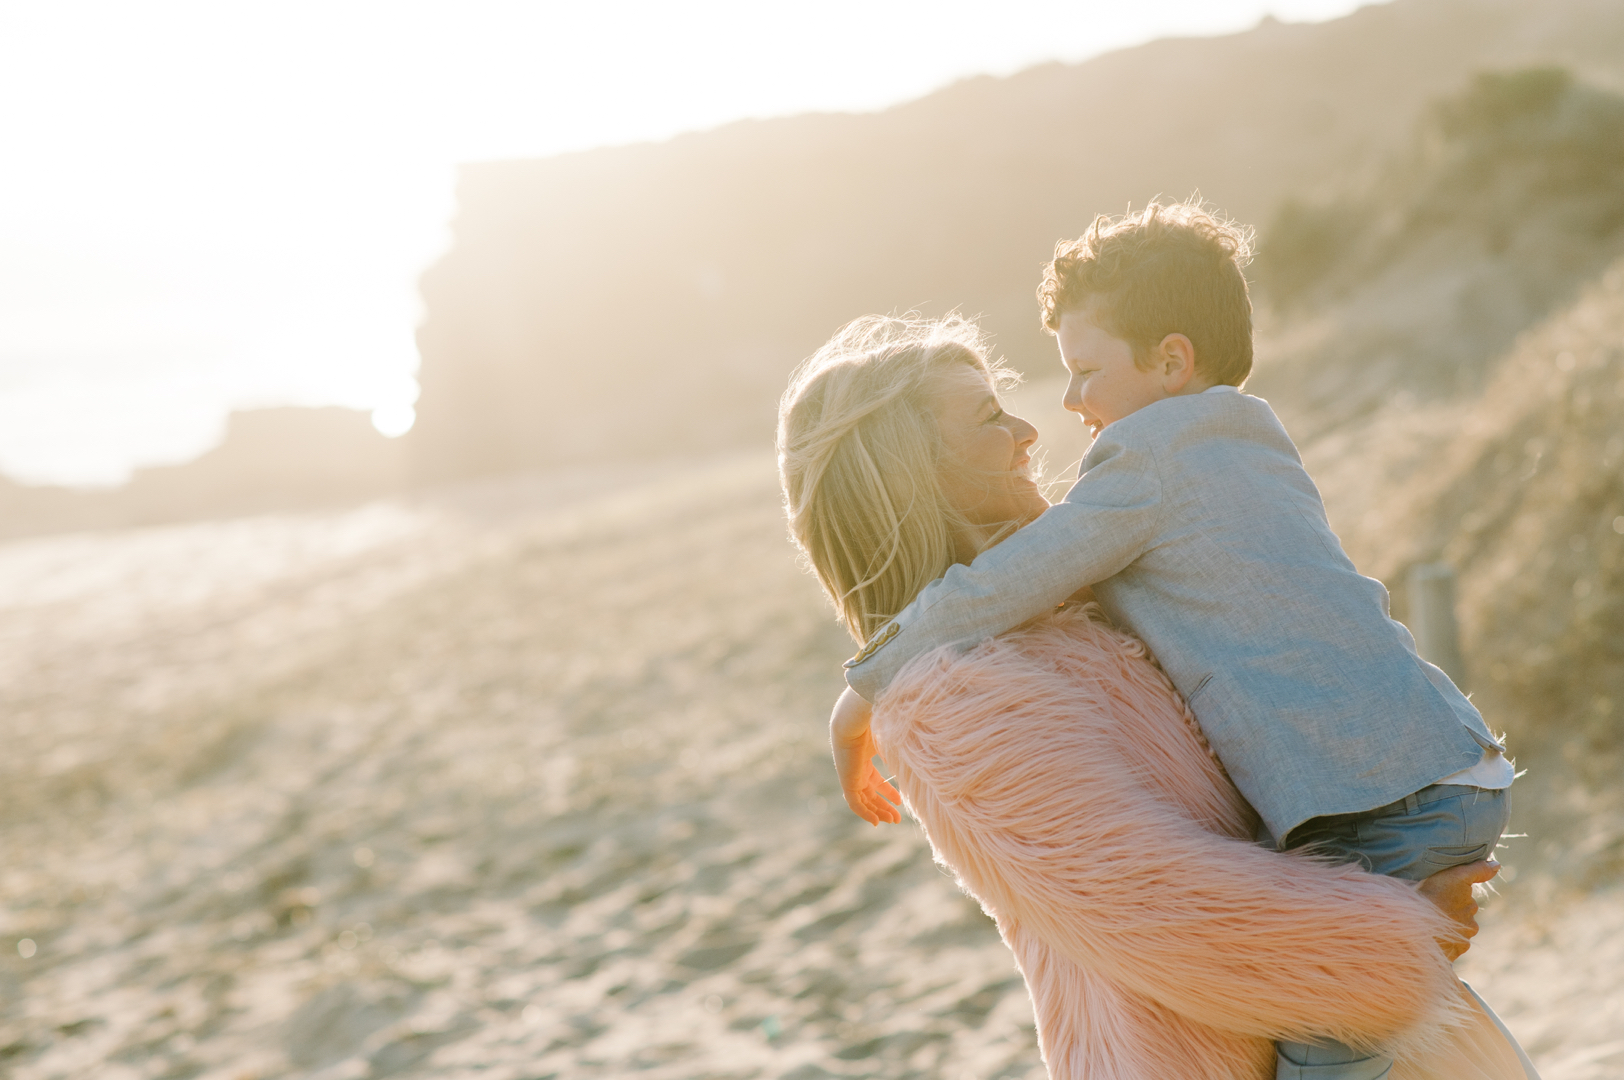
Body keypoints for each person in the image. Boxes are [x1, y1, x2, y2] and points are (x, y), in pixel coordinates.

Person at [835, 203, 1525, 1080]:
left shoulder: (1144, 470)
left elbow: (1015, 581)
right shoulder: (1242, 438)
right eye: (997, 414)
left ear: (1170, 361)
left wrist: (864, 687)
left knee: (1338, 1059)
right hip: (1428, 778)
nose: (1061, 409)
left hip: (1382, 803)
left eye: (1084, 371)